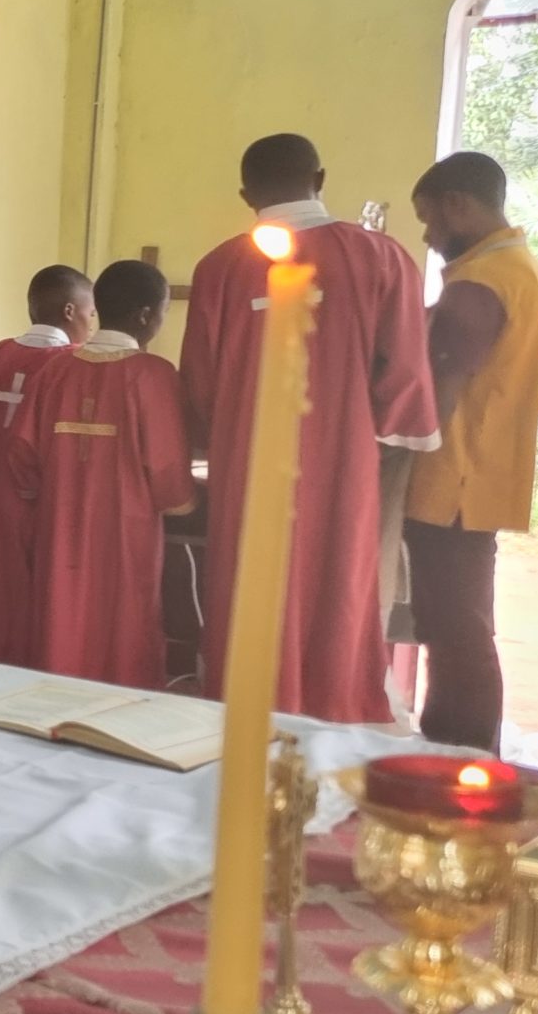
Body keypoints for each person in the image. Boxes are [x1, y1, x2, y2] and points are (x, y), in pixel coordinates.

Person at [181, 133, 439, 724]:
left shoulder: (221, 267)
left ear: (246, 195)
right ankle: (333, 708)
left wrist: (213, 437)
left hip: (247, 463)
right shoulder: (381, 256)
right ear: (319, 179)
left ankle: (244, 709)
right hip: (343, 461)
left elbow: (200, 383)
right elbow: (404, 372)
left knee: (250, 580)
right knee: (337, 580)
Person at [403, 152, 538, 752]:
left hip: (454, 478)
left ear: (458, 205)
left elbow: (441, 388)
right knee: (458, 626)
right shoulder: (519, 267)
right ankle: (458, 750)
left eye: (429, 220)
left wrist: (393, 442)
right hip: (482, 473)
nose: (427, 235)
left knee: (454, 631)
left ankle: (460, 756)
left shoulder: (481, 282)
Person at [8, 260, 197, 688]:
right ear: (146, 316)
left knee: (59, 618)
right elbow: (167, 472)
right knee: (122, 626)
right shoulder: (154, 375)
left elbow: (23, 454)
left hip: (59, 529)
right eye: (164, 313)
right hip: (125, 535)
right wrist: (187, 502)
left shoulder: (55, 369)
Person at [0, 265, 94, 665]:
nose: (91, 323)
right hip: (32, 501)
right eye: (91, 312)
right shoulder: (71, 363)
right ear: (70, 311)